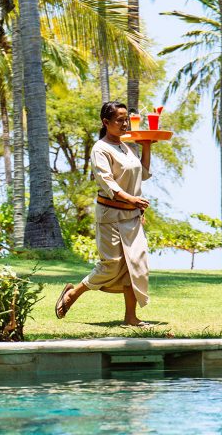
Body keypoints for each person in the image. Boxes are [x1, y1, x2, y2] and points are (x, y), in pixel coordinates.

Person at [55, 100, 154, 327]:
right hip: (111, 216)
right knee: (111, 265)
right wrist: (132, 200)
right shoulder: (100, 149)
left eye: (126, 119)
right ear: (106, 122)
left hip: (132, 217)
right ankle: (73, 293)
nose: (125, 124)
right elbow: (107, 183)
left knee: (135, 264)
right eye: (120, 120)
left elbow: (143, 173)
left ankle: (131, 318)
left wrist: (147, 145)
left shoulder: (127, 146)